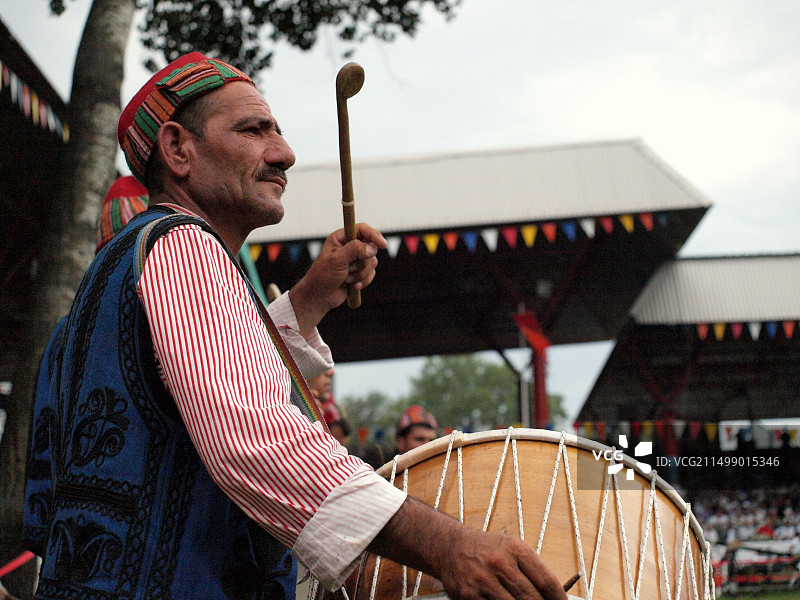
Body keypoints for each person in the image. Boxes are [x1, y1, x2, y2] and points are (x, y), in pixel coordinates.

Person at [23, 52, 566, 600]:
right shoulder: (183, 244)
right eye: (253, 130)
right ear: (177, 148)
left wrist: (307, 299)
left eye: (277, 132)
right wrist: (448, 544)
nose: (284, 154)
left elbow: (195, 390)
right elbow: (250, 434)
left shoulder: (87, 313)